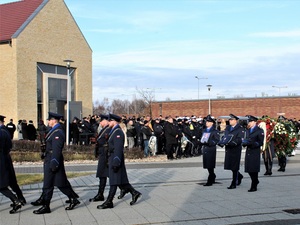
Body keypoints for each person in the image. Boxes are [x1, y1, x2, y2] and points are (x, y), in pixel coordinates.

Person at [33, 112, 80, 214]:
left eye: (49, 120)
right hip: (50, 158)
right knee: (58, 182)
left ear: (54, 120)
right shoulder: (54, 130)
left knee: (52, 183)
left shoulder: (58, 132)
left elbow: (57, 149)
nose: (48, 122)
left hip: (53, 159)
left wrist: (54, 162)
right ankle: (73, 199)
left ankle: (46, 206)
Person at [97, 113, 141, 209]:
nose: (108, 123)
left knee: (114, 181)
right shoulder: (114, 130)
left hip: (115, 158)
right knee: (120, 180)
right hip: (111, 157)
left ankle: (109, 201)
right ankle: (134, 192)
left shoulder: (118, 132)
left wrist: (116, 161)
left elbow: (118, 148)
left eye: (109, 121)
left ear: (113, 121)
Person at [0, 115, 24, 214]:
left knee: (2, 185)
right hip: (4, 158)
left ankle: (16, 200)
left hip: (2, 159)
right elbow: (9, 146)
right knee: (10, 181)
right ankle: (20, 198)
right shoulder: (4, 131)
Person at [218, 114, 245, 189]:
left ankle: (233, 182)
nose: (230, 121)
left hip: (235, 148)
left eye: (231, 120)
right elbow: (225, 137)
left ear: (236, 121)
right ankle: (239, 176)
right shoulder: (228, 128)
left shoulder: (240, 128)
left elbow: (240, 139)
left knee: (235, 166)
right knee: (230, 165)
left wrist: (233, 143)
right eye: (229, 120)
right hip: (229, 148)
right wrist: (222, 142)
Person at [89, 114, 111, 202]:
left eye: (101, 121)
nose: (100, 123)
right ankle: (100, 194)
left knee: (111, 176)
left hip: (106, 155)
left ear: (106, 121)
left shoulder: (108, 130)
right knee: (102, 175)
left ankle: (129, 190)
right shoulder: (103, 129)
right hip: (102, 154)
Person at [242, 115, 264, 192]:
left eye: (251, 121)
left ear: (254, 122)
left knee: (254, 169)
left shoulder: (259, 130)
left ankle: (254, 185)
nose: (249, 123)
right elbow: (246, 139)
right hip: (248, 151)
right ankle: (255, 180)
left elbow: (260, 142)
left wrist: (253, 144)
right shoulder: (248, 130)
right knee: (248, 169)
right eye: (249, 121)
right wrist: (244, 143)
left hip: (255, 151)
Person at [201, 115, 220, 186]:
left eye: (208, 122)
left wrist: (210, 142)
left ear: (212, 123)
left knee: (210, 164)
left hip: (211, 149)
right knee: (207, 164)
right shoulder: (204, 130)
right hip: (205, 148)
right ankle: (212, 175)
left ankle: (210, 179)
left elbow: (217, 140)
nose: (207, 123)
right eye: (206, 122)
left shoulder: (214, 131)